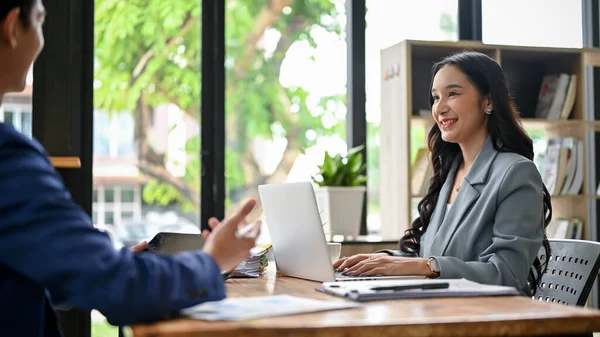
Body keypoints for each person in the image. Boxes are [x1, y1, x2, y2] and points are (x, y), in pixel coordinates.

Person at [0, 0, 261, 336]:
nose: (42, 39)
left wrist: (99, 261)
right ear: (11, 28)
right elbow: (119, 288)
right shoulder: (9, 157)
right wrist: (213, 261)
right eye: (38, 21)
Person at [334, 50, 552, 297]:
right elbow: (429, 255)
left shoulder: (516, 173)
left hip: (489, 321)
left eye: (453, 94)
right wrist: (380, 260)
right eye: (436, 97)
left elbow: (506, 274)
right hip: (441, 310)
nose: (440, 108)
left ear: (488, 101)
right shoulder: (450, 174)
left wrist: (424, 266)